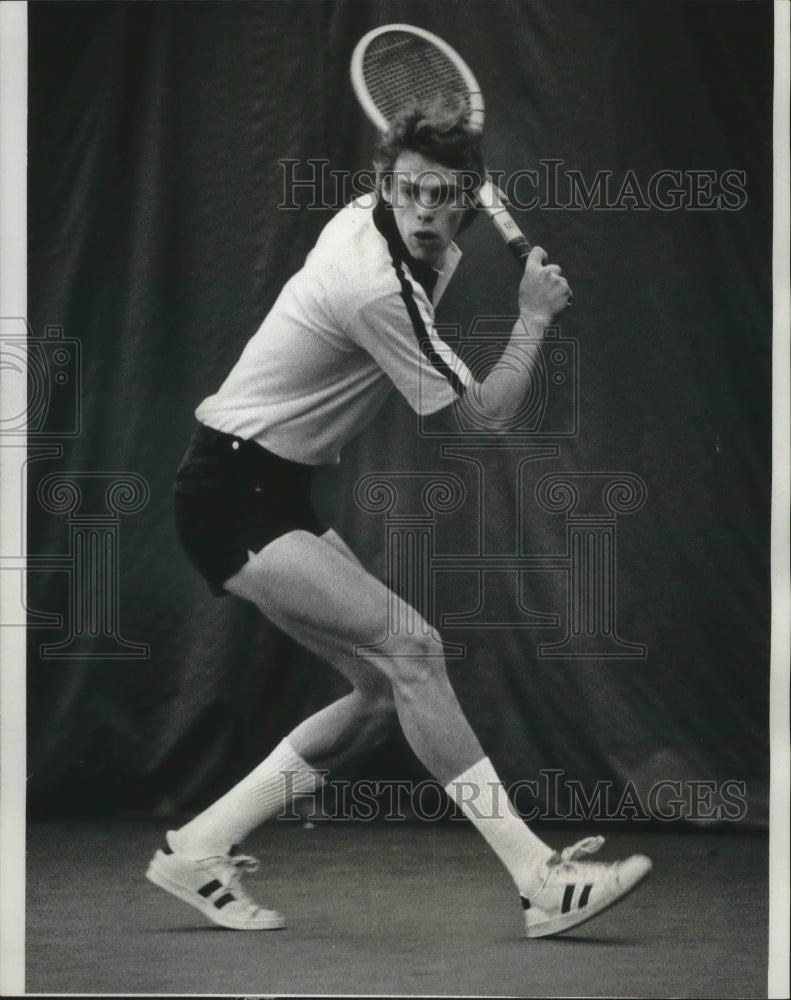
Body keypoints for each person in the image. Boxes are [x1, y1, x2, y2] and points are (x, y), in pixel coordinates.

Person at [146, 103, 651, 939]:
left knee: (382, 691)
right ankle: (538, 877)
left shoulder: (413, 248)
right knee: (413, 648)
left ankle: (198, 847)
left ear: (466, 200)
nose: (423, 209)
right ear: (382, 185)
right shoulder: (370, 281)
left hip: (273, 489)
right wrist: (530, 320)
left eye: (444, 195)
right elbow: (484, 418)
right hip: (227, 492)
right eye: (409, 190)